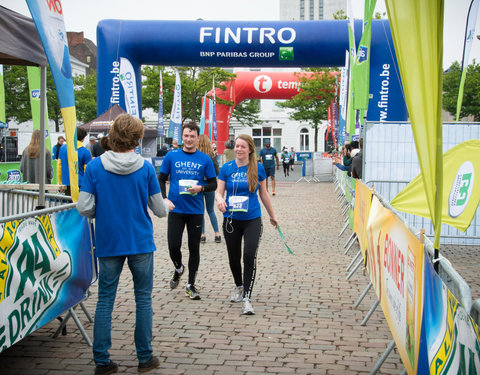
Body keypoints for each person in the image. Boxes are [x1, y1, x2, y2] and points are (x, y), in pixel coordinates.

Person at [77, 114, 171, 375]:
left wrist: (104, 211)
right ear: (137, 138)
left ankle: (102, 361)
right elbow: (159, 210)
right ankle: (145, 357)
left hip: (108, 241)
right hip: (140, 241)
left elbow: (84, 207)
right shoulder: (145, 168)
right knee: (143, 299)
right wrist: (167, 205)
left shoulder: (94, 167)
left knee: (105, 299)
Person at [215, 134, 279, 315]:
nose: (239, 149)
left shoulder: (257, 168)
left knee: (249, 256)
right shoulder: (226, 168)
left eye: (243, 146)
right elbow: (219, 192)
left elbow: (264, 194)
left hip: (252, 219)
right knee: (233, 259)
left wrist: (272, 216)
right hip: (231, 219)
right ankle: (238, 286)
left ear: (250, 149)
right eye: (237, 146)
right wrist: (220, 200)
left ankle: (247, 298)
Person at [158, 122, 217, 300]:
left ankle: (191, 284)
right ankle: (178, 268)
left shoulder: (205, 159)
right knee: (173, 246)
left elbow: (213, 183)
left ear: (198, 138)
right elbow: (161, 178)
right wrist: (164, 198)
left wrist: (201, 188)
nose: (189, 139)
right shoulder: (171, 156)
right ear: (181, 137)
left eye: (192, 136)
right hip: (175, 208)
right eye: (186, 136)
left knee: (194, 248)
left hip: (195, 211)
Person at [197, 134, 221, 244]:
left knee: (200, 211)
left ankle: (202, 234)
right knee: (211, 210)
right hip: (210, 185)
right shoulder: (212, 155)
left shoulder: (196, 155)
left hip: (197, 185)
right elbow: (216, 170)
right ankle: (217, 234)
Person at [57, 127, 92, 196]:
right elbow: (87, 172)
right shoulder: (86, 152)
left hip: (67, 183)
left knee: (67, 205)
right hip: (80, 184)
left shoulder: (63, 148)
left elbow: (59, 167)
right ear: (83, 138)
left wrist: (61, 183)